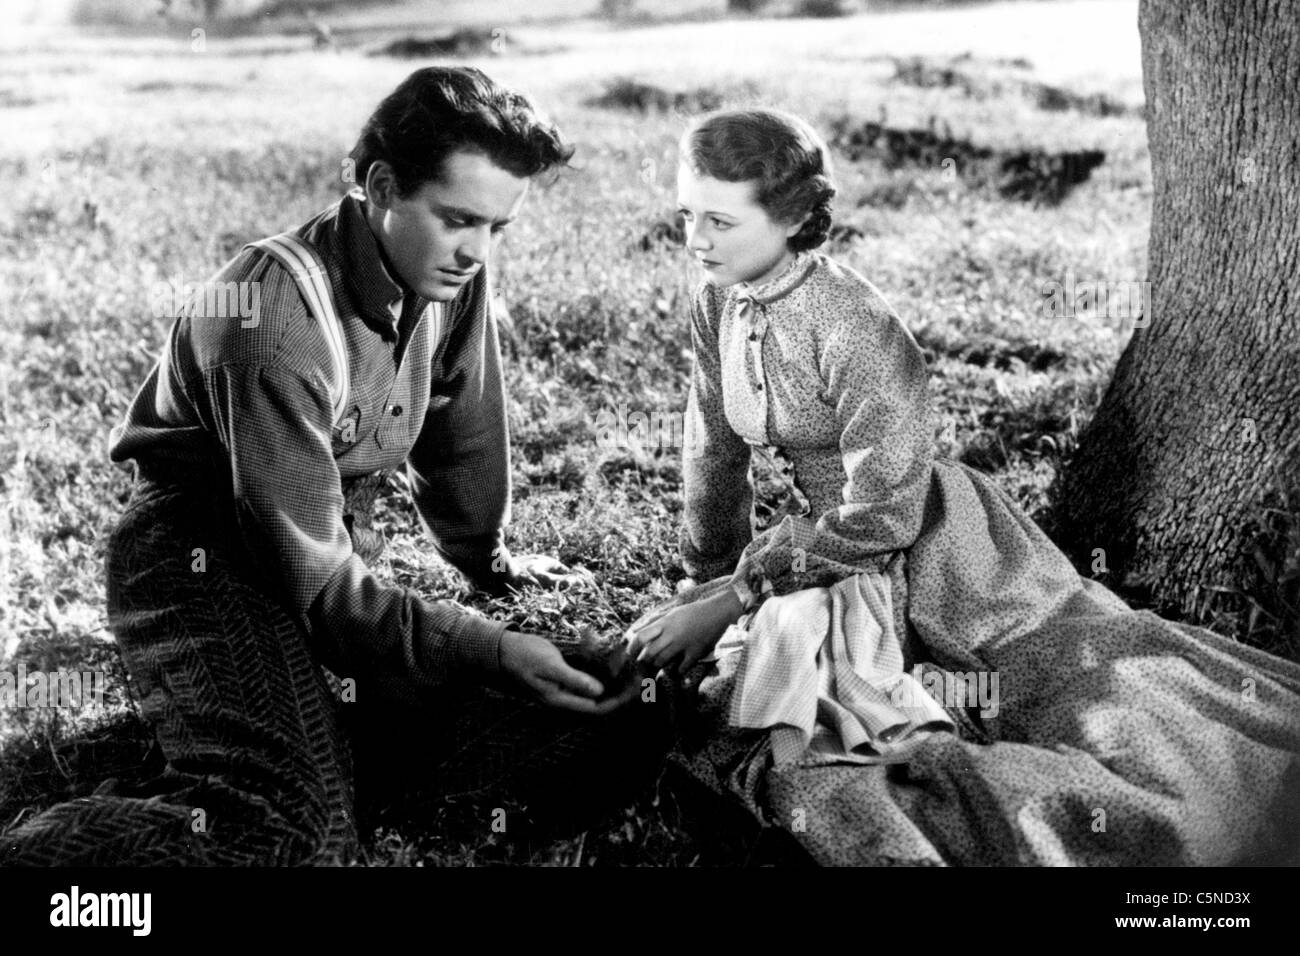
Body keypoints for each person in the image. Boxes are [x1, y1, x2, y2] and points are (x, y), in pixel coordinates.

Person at [1, 67, 659, 867]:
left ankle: (311, 740)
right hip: (204, 562)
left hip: (325, 548)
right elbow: (318, 583)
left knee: (620, 715)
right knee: (290, 839)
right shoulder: (271, 317)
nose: (477, 252)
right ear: (381, 185)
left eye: (497, 227)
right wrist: (484, 648)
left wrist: (488, 566)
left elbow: (462, 435)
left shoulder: (449, 277)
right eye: (458, 219)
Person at [627, 108, 1300, 865]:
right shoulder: (716, 299)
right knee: (738, 691)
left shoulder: (853, 323)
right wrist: (704, 577)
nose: (694, 241)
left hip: (923, 538)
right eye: (687, 215)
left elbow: (886, 507)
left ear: (789, 217)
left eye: (719, 220)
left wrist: (738, 596)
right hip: (806, 548)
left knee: (1050, 688)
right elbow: (711, 445)